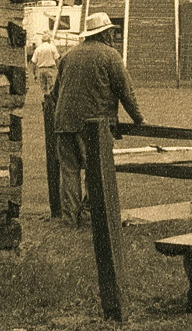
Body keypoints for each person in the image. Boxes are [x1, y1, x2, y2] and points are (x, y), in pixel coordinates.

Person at [51, 12, 144, 226]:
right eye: (110, 32)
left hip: (64, 122)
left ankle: (69, 220)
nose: (113, 36)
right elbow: (125, 90)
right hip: (94, 124)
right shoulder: (110, 55)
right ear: (103, 34)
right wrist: (138, 118)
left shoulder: (68, 55)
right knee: (96, 170)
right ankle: (88, 215)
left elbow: (56, 93)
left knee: (69, 172)